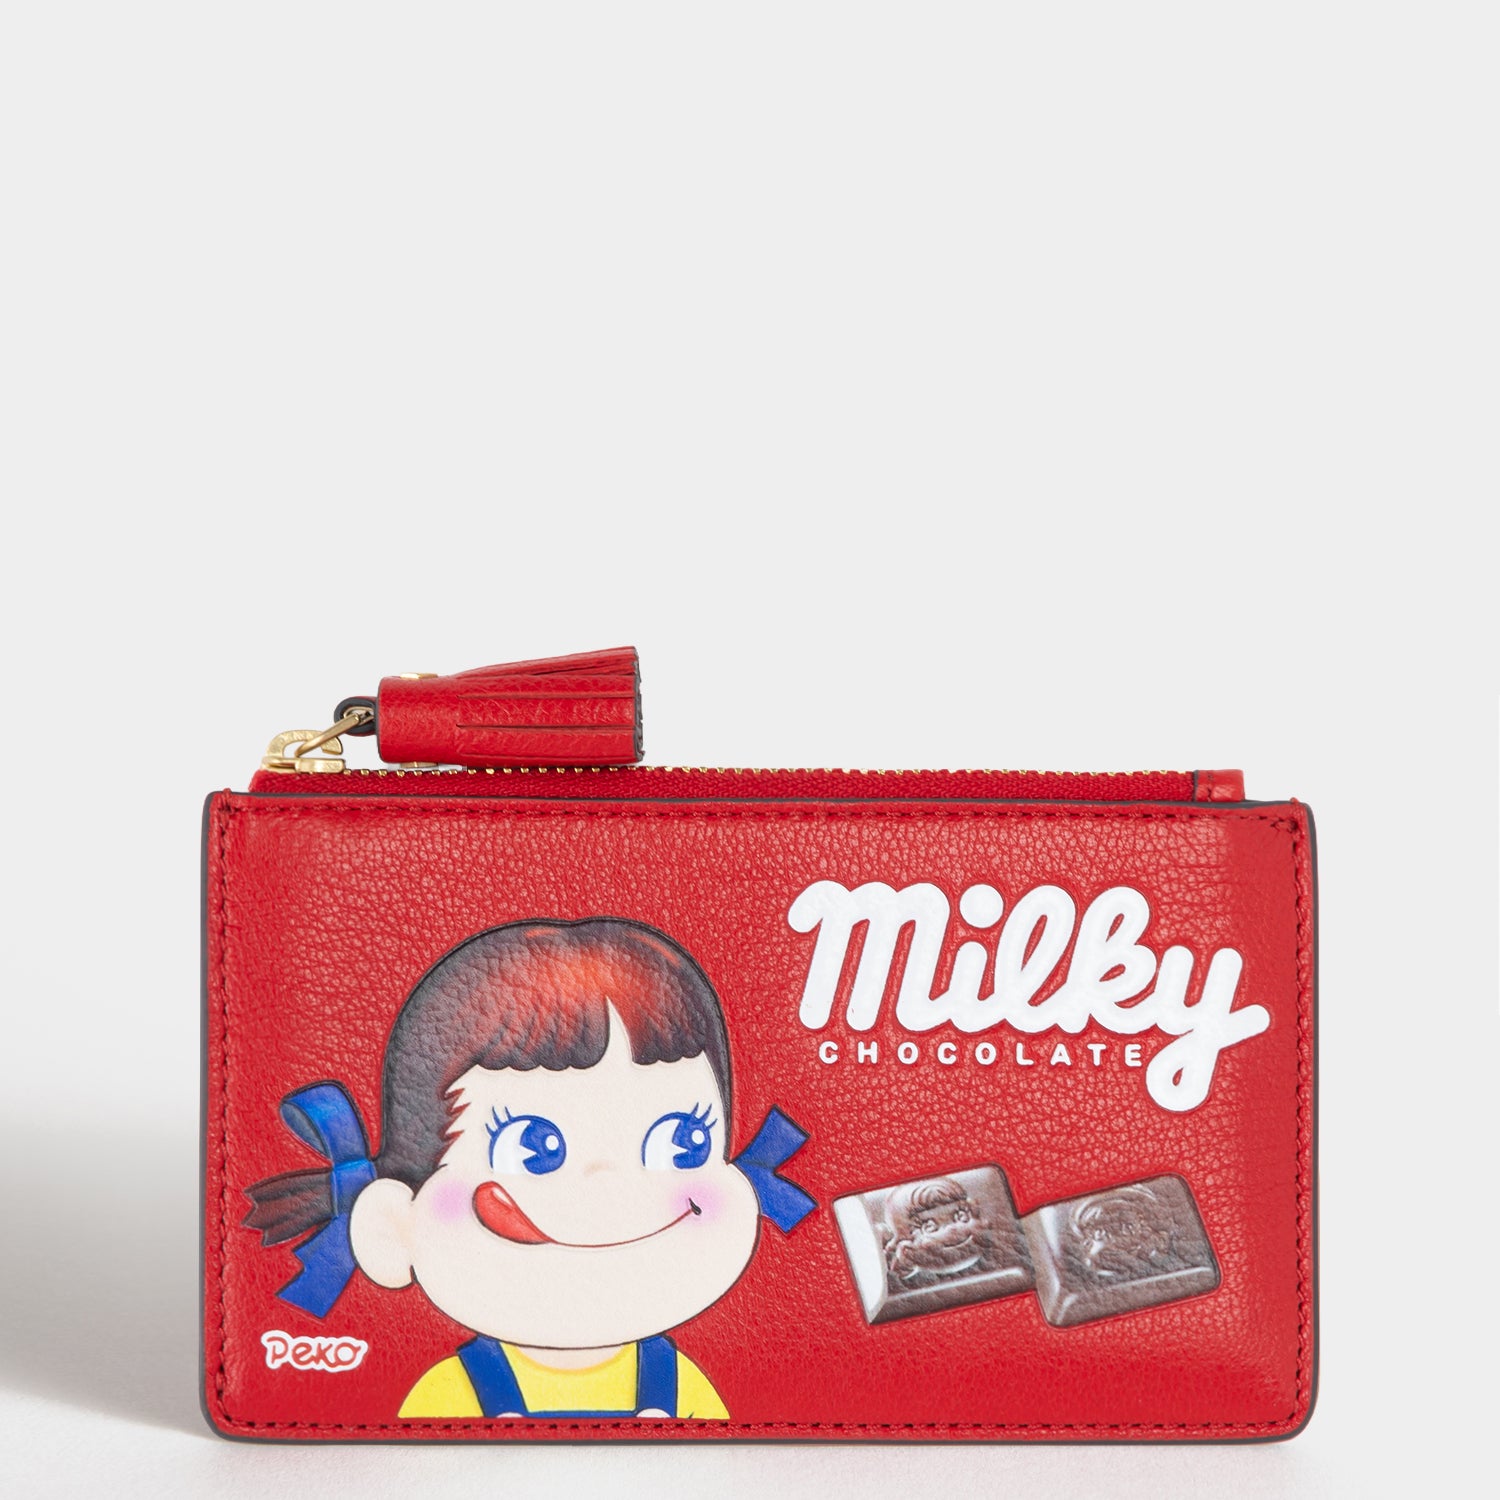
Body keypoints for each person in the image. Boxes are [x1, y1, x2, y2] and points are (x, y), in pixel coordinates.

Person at [244, 918, 813, 1420]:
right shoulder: (454, 1393)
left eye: (682, 1143)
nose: (607, 1185)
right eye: (533, 1149)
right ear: (394, 1225)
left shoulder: (679, 1384)